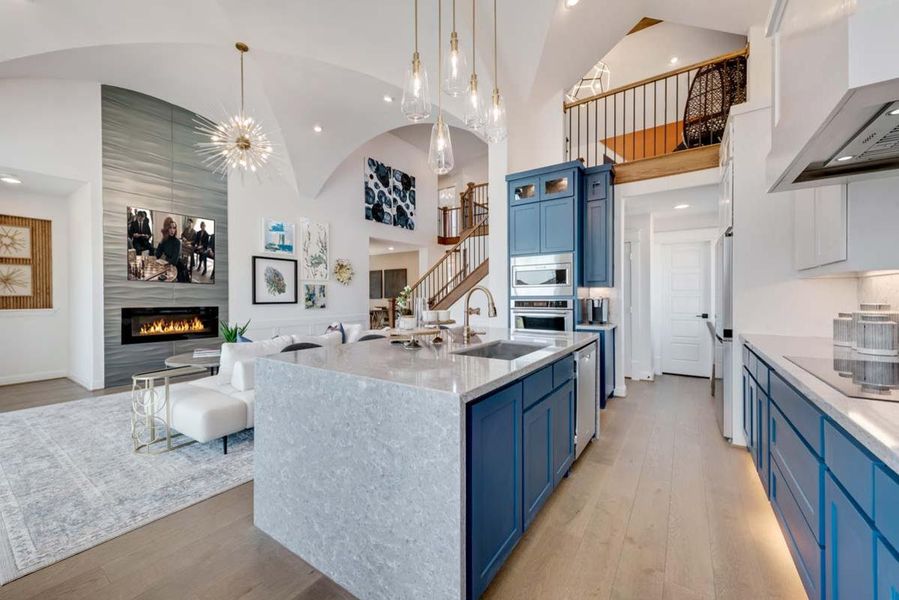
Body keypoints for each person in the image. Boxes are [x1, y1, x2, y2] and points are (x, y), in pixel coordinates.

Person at [154, 216, 190, 283]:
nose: (172, 230)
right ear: (166, 228)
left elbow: (174, 261)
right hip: (166, 266)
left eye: (174, 228)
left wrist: (164, 259)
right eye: (170, 227)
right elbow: (157, 255)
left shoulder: (177, 242)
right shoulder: (164, 240)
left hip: (177, 268)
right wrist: (161, 241)